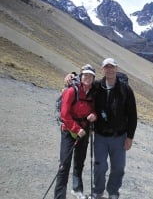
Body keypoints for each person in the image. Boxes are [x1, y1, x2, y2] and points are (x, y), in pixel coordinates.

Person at [65, 58, 137, 199]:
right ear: (103, 69)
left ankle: (113, 193)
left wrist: (130, 137)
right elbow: (82, 84)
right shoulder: (97, 86)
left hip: (120, 136)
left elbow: (133, 115)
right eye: (106, 67)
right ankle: (97, 192)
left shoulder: (125, 89)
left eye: (112, 67)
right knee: (100, 167)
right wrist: (71, 75)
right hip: (100, 136)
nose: (109, 69)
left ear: (116, 68)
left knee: (118, 168)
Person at [54, 64, 97, 199]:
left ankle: (77, 189)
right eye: (85, 75)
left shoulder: (94, 92)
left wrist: (94, 115)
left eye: (90, 76)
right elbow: (64, 115)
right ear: (80, 75)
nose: (87, 78)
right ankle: (59, 196)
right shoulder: (71, 91)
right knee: (64, 165)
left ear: (93, 78)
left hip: (85, 130)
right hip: (69, 130)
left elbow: (96, 109)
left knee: (79, 161)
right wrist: (77, 129)